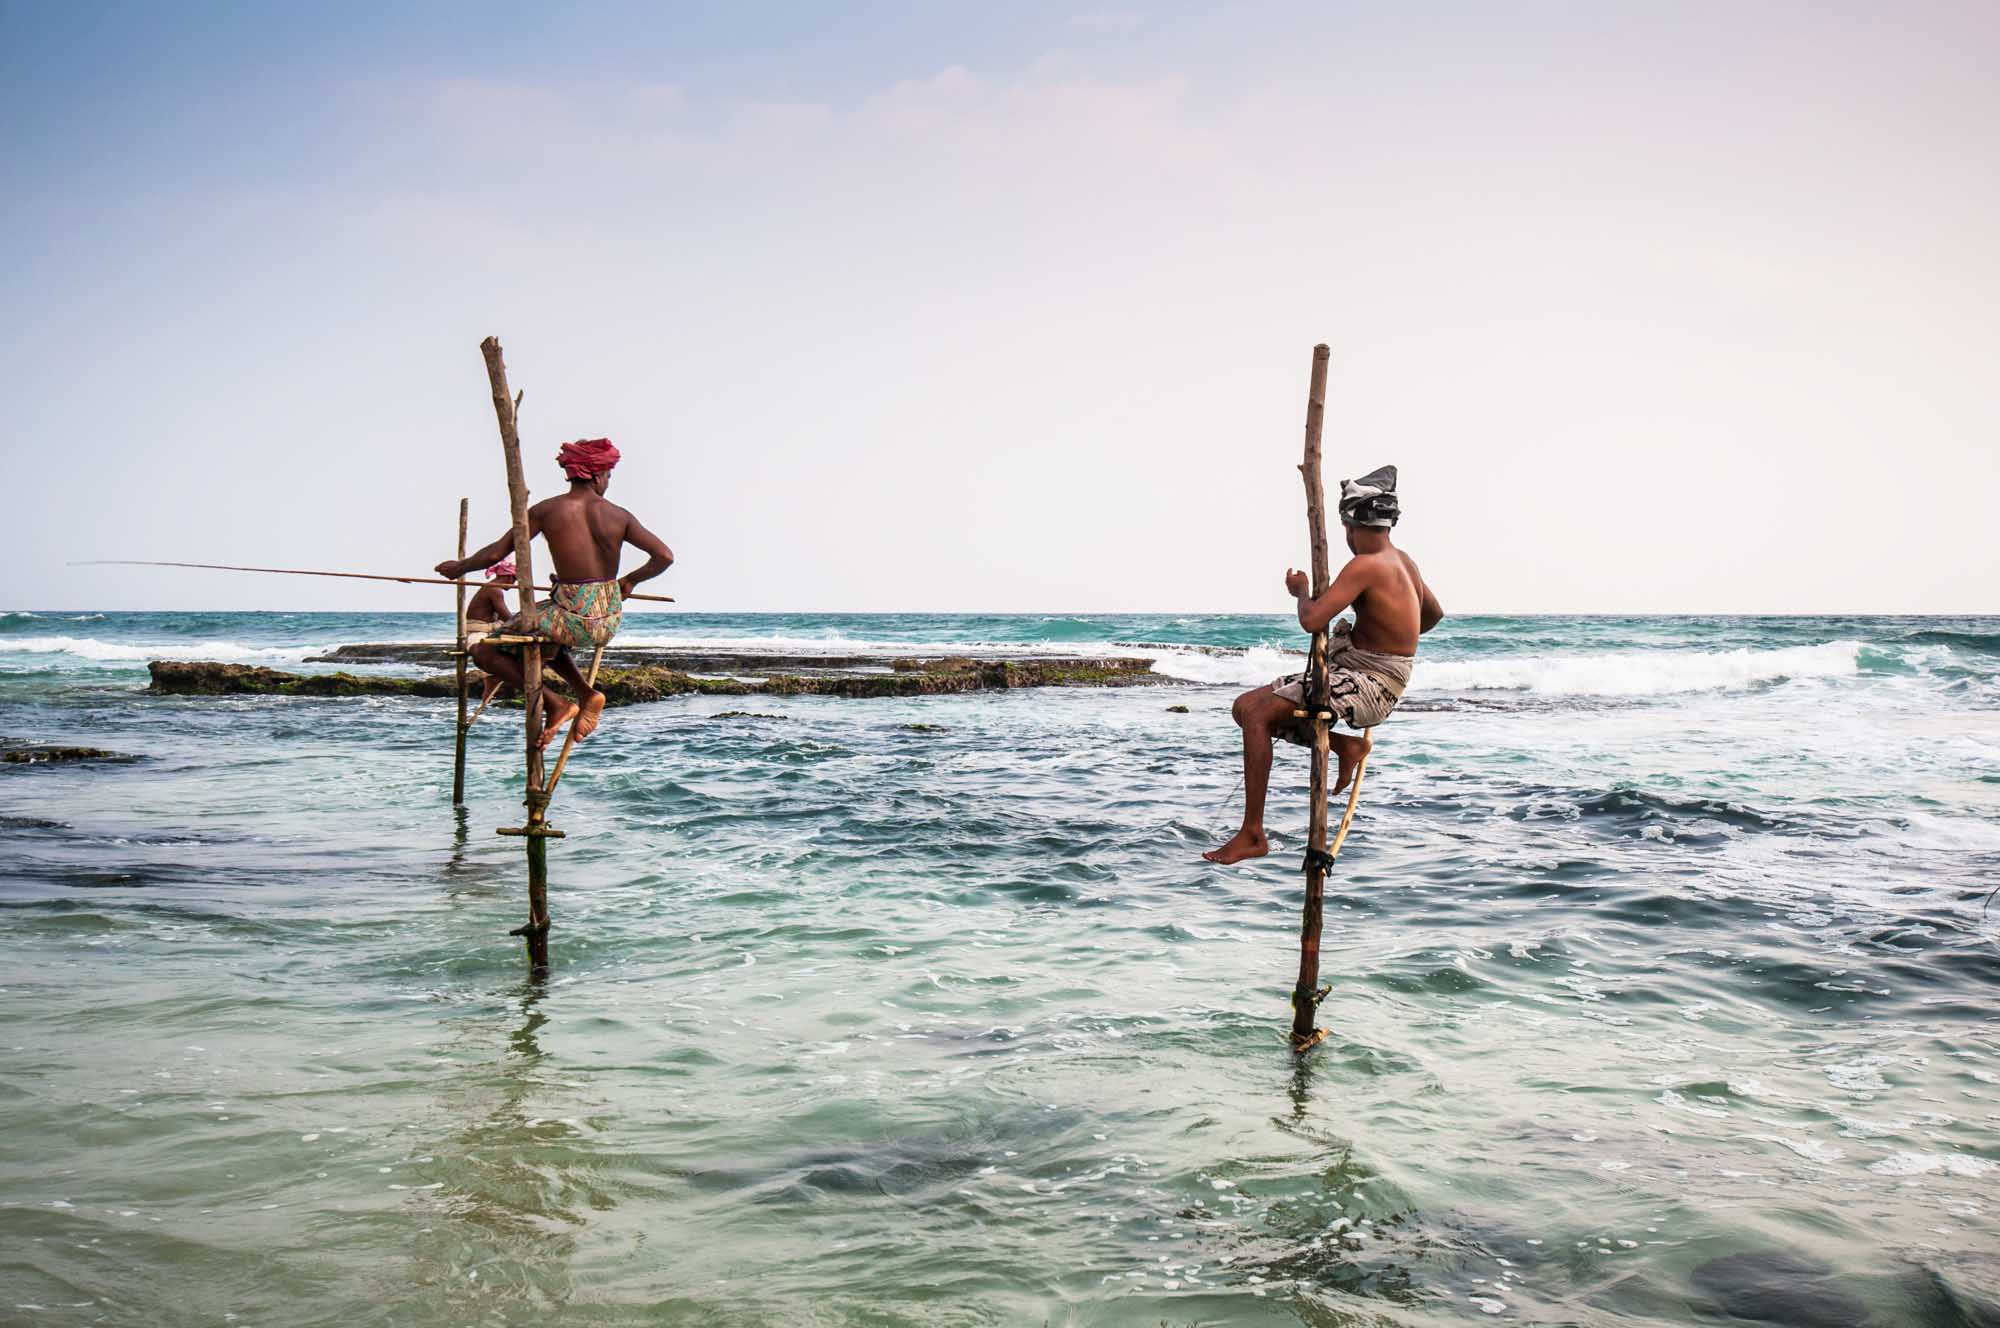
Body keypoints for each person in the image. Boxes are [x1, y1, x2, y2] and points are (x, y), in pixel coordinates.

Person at [1204, 465, 1442, 865]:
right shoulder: (1403, 561)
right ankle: (1346, 745)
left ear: (1350, 525)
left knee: (1259, 716)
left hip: (1372, 681)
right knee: (1245, 708)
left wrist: (1301, 593)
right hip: (1371, 670)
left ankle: (1252, 833)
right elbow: (1432, 615)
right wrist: (1380, 631)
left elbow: (1313, 620)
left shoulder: (1365, 565)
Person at [436, 438, 674, 748]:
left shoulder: (547, 510)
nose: (608, 483)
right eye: (609, 476)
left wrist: (461, 567)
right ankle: (586, 694)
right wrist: (628, 582)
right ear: (597, 474)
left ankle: (555, 703)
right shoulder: (620, 515)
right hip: (607, 619)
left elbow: (496, 553)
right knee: (546, 636)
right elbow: (664, 557)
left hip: (571, 617)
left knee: (484, 651)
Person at [464, 560, 516, 712]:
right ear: (508, 577)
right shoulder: (494, 590)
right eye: (514, 580)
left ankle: (494, 676)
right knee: (478, 651)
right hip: (478, 632)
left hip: (489, 630)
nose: (514, 585)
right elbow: (508, 618)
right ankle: (492, 677)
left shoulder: (492, 589)